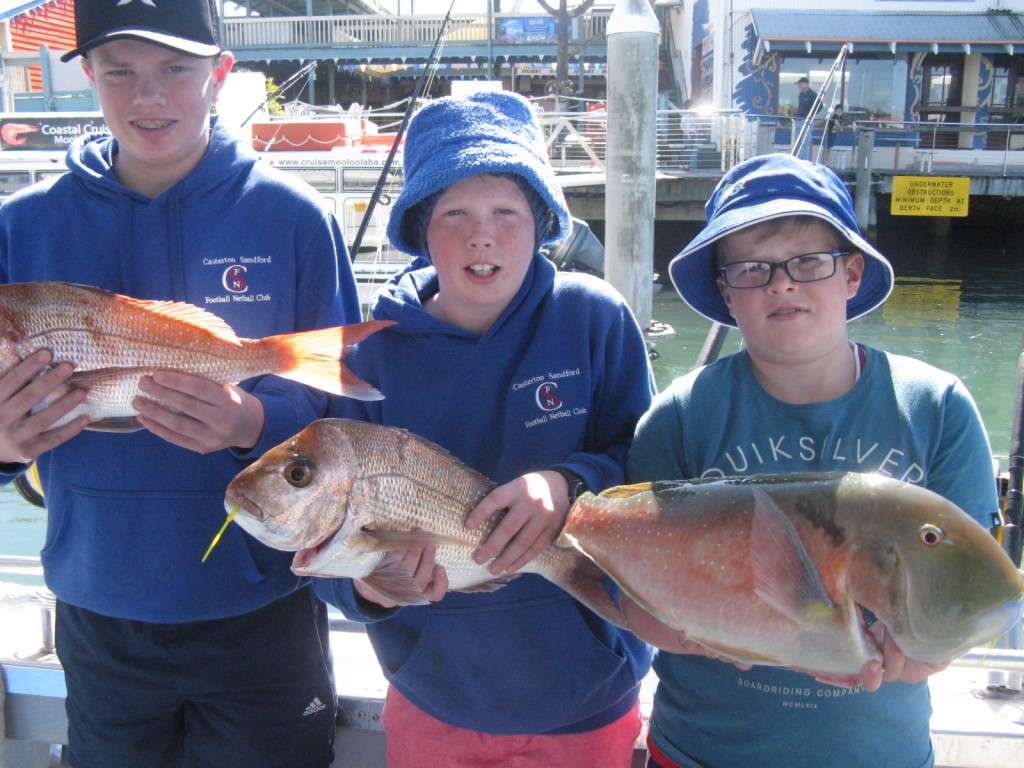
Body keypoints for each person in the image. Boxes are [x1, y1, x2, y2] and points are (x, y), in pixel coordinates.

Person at [0, 2, 357, 765]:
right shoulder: (20, 228)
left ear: (220, 75)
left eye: (176, 71)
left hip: (264, 598)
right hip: (99, 610)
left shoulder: (295, 216)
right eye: (120, 72)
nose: (147, 98)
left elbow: (342, 413)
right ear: (88, 76)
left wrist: (250, 425)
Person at [315, 90, 655, 767]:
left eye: (507, 211)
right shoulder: (367, 356)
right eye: (455, 214)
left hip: (586, 695)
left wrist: (568, 482)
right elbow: (318, 529)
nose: (483, 235)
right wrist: (368, 587)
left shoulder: (593, 318)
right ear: (418, 227)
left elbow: (655, 473)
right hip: (432, 696)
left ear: (541, 220)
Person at [625, 153, 998, 768]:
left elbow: (966, 592)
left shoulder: (938, 408)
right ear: (725, 291)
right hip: (701, 752)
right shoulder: (679, 417)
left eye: (808, 261)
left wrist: (925, 656)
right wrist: (715, 631)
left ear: (852, 273)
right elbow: (637, 603)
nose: (781, 283)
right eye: (750, 268)